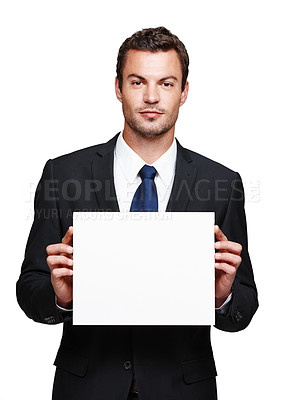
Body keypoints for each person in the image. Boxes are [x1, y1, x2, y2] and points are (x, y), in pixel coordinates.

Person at [16, 27, 258, 400]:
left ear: (184, 92)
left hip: (182, 390)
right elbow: (30, 289)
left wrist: (220, 298)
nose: (151, 97)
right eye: (137, 81)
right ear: (118, 88)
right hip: (86, 387)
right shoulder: (63, 174)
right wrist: (62, 297)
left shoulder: (222, 183)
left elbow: (244, 304)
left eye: (166, 83)